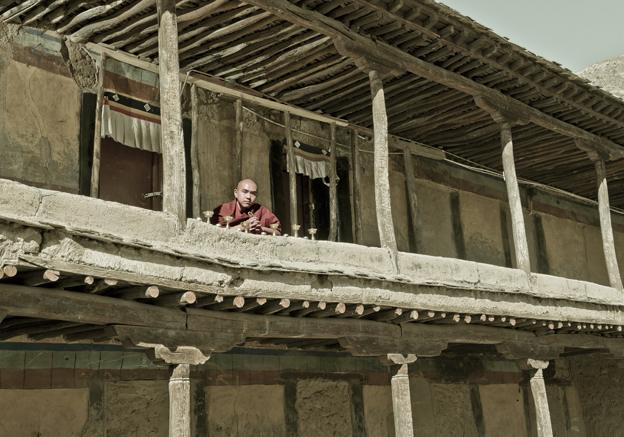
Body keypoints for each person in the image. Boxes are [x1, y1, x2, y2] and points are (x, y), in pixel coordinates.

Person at [210, 179, 281, 235]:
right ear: (236, 193)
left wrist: (261, 229)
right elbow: (215, 233)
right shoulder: (224, 210)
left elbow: (278, 232)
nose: (248, 197)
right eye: (244, 192)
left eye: (253, 193)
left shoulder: (261, 210)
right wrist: (243, 226)